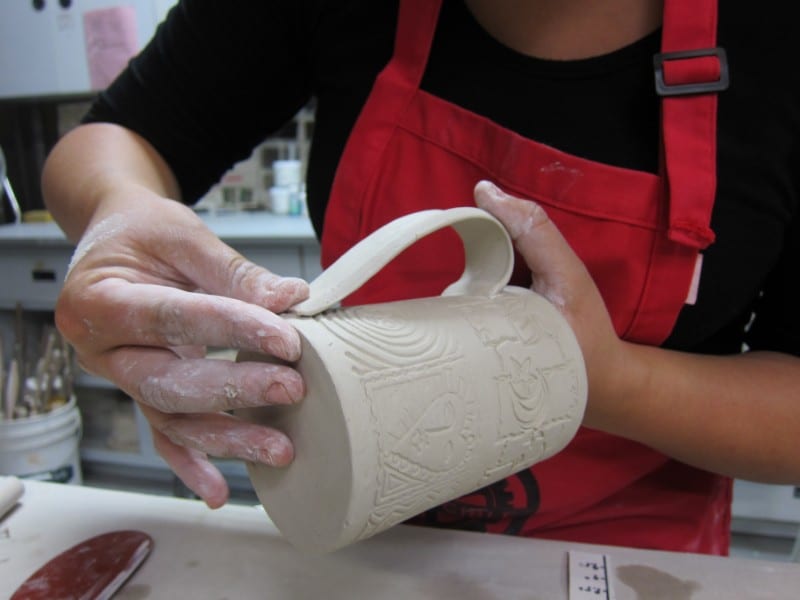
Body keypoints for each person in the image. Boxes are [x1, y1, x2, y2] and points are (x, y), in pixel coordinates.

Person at [42, 0, 799, 555]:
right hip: (369, 530)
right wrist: (118, 211)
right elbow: (116, 136)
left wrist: (603, 380)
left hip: (630, 552)